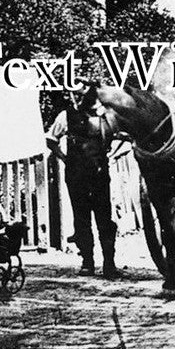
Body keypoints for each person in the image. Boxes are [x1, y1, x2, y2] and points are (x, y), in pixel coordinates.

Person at [46, 83, 120, 278]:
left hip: (100, 174)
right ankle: (87, 262)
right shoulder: (66, 116)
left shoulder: (106, 116)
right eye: (75, 95)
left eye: (82, 95)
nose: (78, 99)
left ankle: (109, 265)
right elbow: (51, 140)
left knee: (104, 218)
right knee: (81, 219)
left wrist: (112, 156)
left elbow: (123, 137)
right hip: (76, 174)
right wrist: (64, 158)